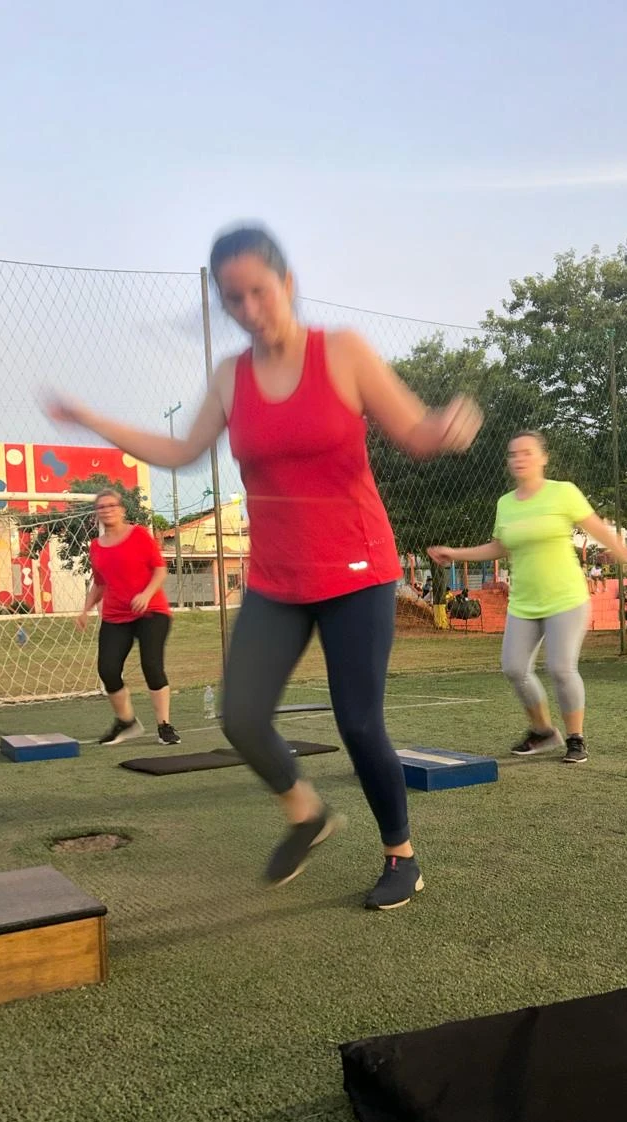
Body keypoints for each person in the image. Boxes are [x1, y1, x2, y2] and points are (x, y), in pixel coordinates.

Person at [45, 224, 482, 910]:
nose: (248, 308)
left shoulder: (342, 352)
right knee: (243, 716)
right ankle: (306, 813)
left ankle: (401, 855)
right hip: (279, 578)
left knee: (358, 723)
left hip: (357, 569)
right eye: (232, 299)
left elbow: (416, 433)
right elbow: (181, 450)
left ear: (288, 284)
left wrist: (449, 424)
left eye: (258, 291)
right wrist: (96, 420)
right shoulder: (232, 376)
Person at [428, 431, 627, 765]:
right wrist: (455, 553)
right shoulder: (505, 503)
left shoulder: (563, 492)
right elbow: (500, 547)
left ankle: (576, 738)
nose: (519, 459)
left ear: (543, 458)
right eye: (513, 454)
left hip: (566, 598)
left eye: (527, 452)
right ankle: (543, 731)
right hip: (524, 602)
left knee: (560, 668)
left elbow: (600, 531)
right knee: (514, 668)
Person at [75, 488, 180, 746]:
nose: (107, 510)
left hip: (151, 612)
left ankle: (164, 725)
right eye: (101, 507)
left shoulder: (139, 535)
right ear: (96, 513)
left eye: (112, 505)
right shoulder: (96, 547)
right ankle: (126, 722)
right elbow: (100, 584)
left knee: (152, 666)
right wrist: (85, 609)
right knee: (108, 670)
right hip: (116, 616)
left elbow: (159, 570)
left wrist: (146, 594)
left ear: (122, 509)